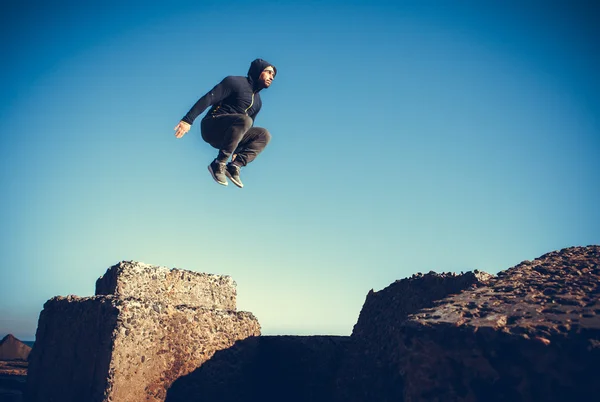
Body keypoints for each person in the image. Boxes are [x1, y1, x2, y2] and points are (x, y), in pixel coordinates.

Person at [174, 58, 277, 188]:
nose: (271, 77)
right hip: (212, 126)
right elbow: (208, 98)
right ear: (258, 71)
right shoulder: (235, 82)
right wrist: (187, 120)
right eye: (268, 72)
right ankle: (218, 163)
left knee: (264, 134)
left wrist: (239, 151)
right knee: (245, 120)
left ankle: (234, 166)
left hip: (229, 137)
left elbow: (247, 127)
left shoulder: (258, 102)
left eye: (273, 75)